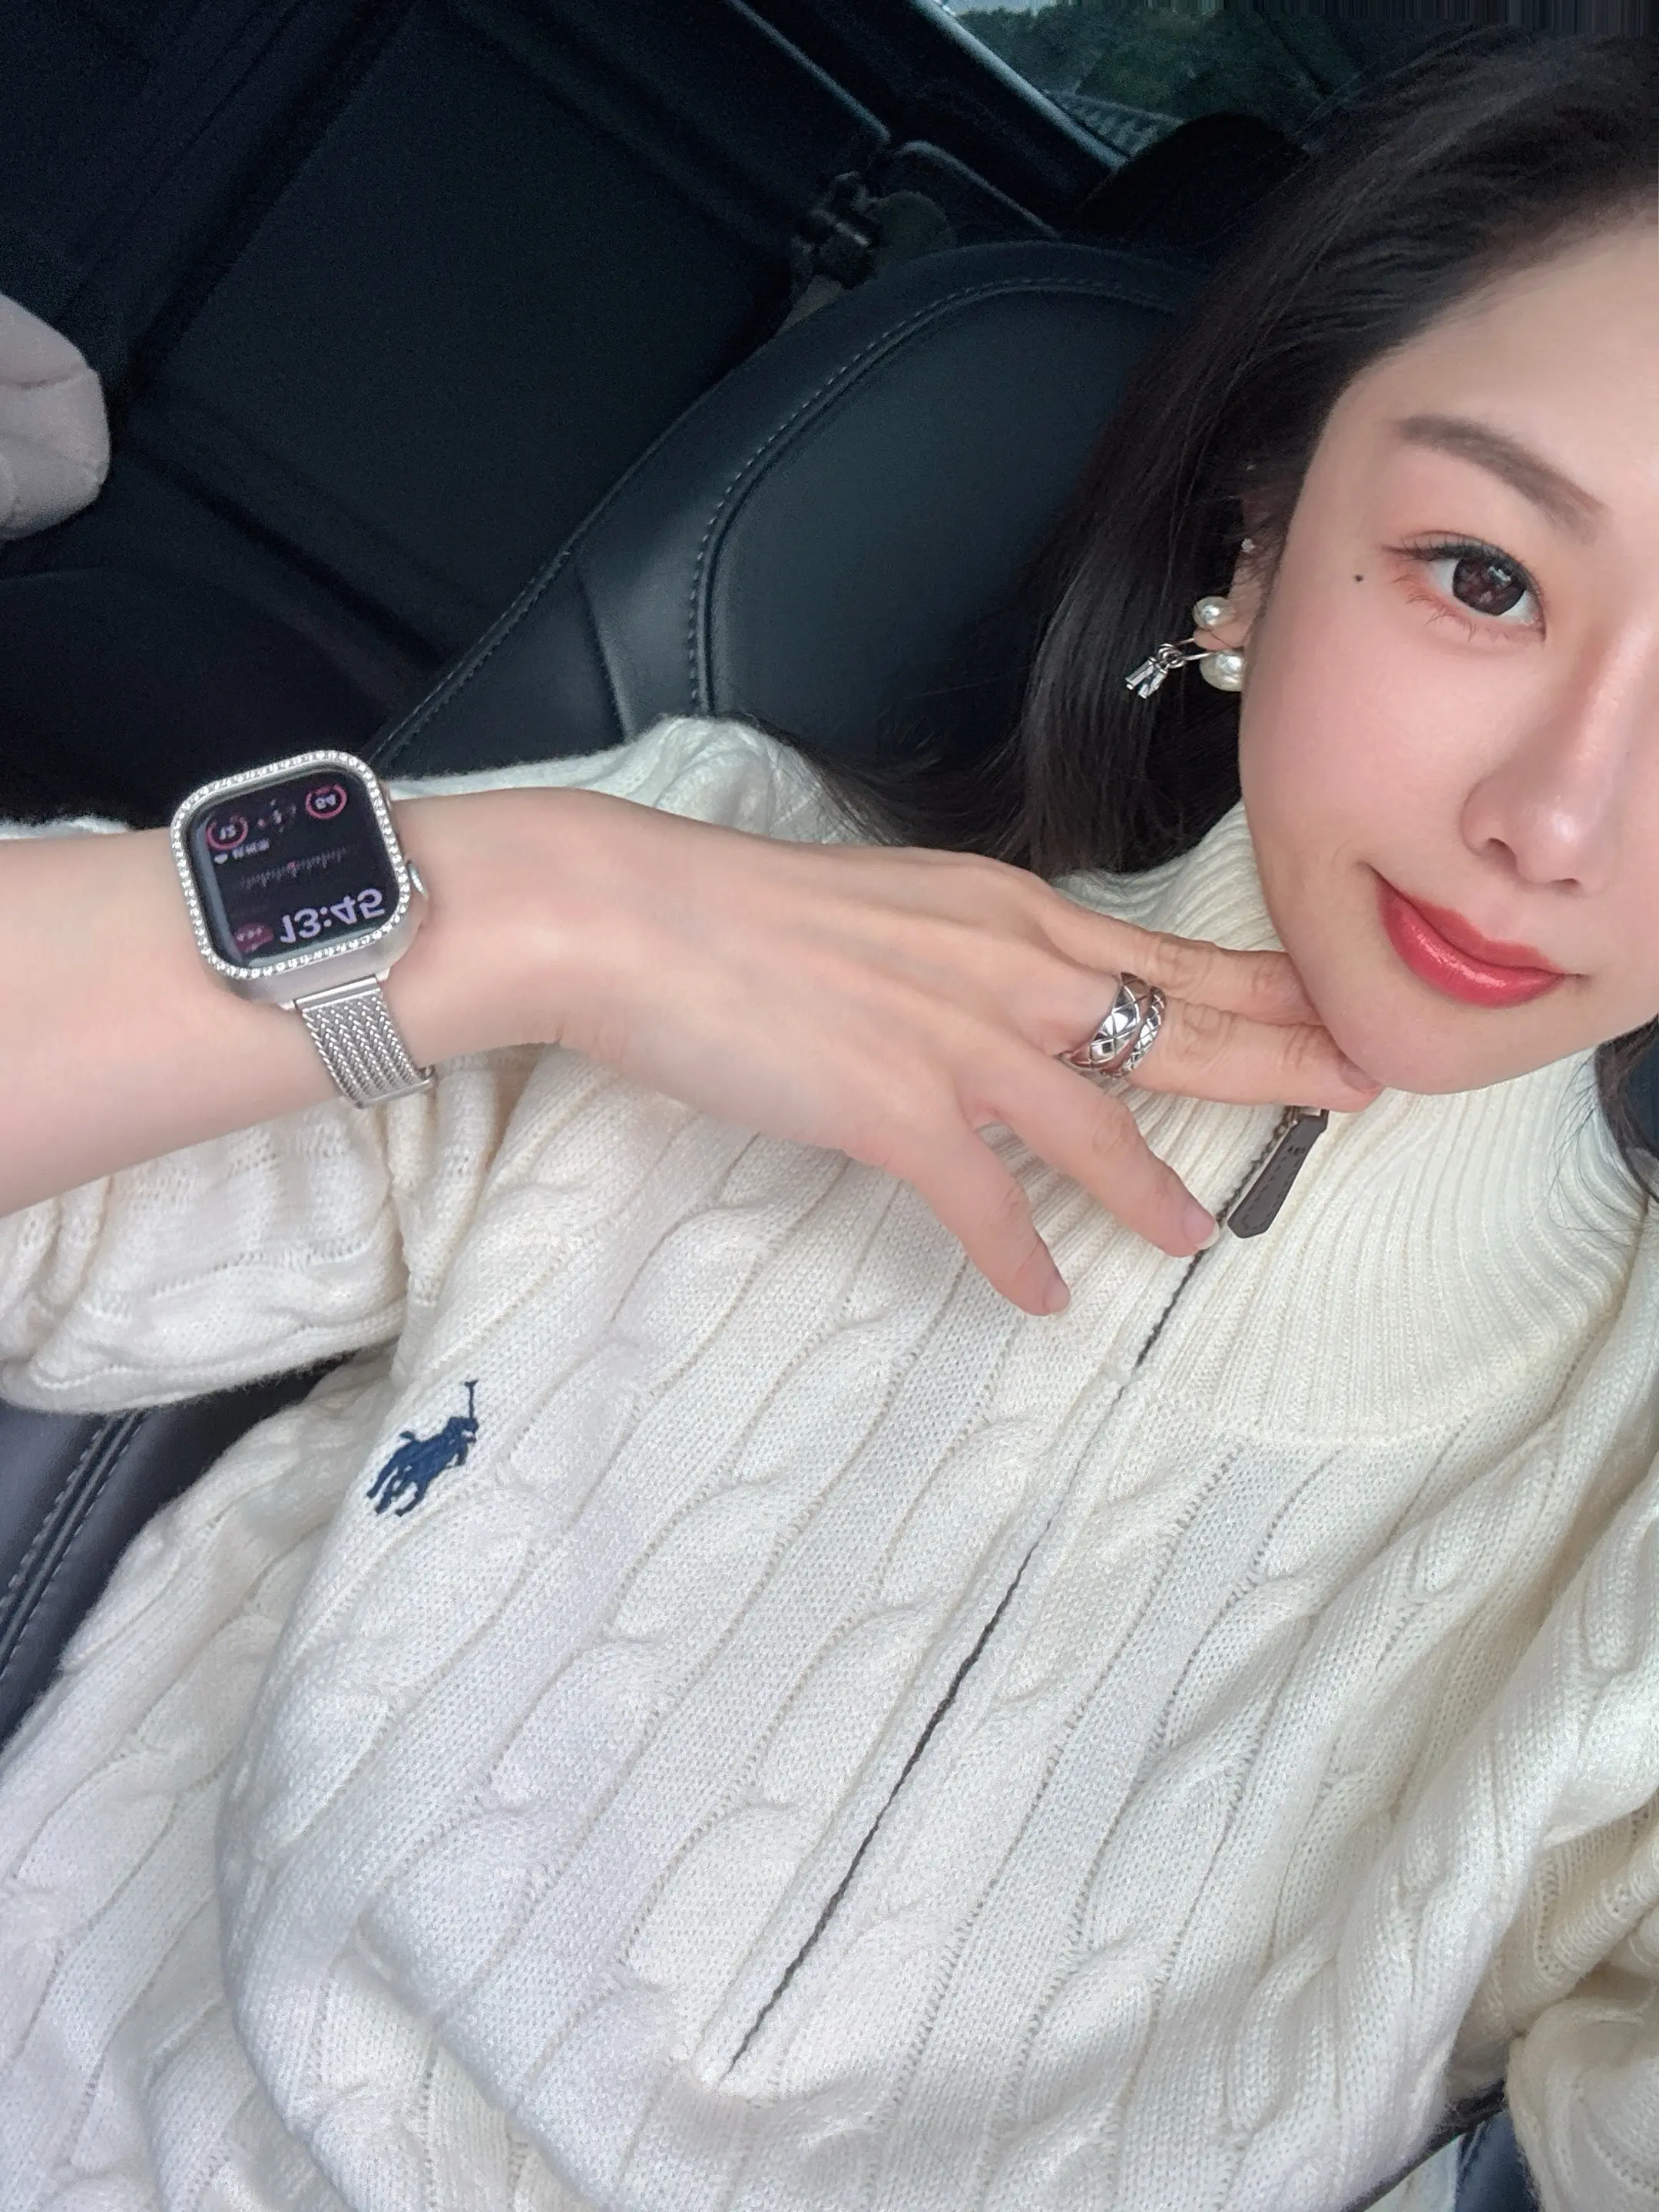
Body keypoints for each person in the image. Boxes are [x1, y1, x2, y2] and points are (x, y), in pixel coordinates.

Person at [0, 31, 1653, 2212]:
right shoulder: (720, 869)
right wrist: (545, 904)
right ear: (1259, 537)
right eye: (1484, 574)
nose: (1561, 820)